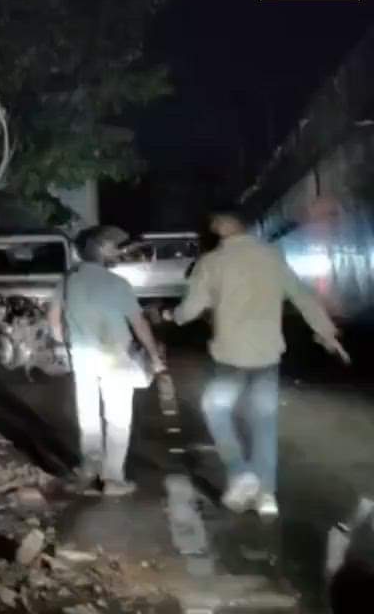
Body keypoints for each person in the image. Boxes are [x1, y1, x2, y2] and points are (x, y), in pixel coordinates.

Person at [165, 207, 344, 518]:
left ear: (220, 226)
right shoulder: (271, 256)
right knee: (264, 423)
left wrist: (172, 316)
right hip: (267, 354)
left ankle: (240, 471)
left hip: (231, 355)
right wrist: (326, 333)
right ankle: (267, 497)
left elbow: (191, 309)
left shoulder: (212, 262)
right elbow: (302, 295)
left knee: (215, 408)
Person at [48, 225, 166, 496]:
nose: (117, 251)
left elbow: (54, 321)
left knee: (88, 416)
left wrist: (62, 344)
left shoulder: (67, 281)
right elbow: (139, 324)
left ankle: (90, 470)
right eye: (112, 246)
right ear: (100, 250)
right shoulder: (118, 284)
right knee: (117, 418)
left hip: (83, 357)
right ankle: (113, 479)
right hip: (116, 358)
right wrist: (154, 356)